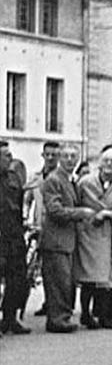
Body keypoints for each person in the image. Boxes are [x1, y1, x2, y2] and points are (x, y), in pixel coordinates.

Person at [73, 147, 112, 330]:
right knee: (89, 277)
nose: (108, 165)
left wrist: (108, 214)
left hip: (111, 236)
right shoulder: (85, 182)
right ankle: (85, 314)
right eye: (106, 161)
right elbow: (75, 204)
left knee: (109, 279)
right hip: (89, 234)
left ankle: (106, 315)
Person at [40, 144, 95, 333]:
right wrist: (80, 213)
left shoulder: (71, 180)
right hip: (55, 240)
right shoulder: (54, 180)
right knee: (58, 282)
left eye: (73, 156)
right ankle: (58, 319)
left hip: (65, 240)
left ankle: (62, 317)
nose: (70, 160)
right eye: (66, 156)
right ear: (60, 159)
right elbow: (54, 210)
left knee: (64, 281)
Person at [23, 141, 61, 318]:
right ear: (43, 155)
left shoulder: (62, 177)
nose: (51, 158)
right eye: (48, 154)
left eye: (54, 154)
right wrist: (26, 218)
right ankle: (44, 302)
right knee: (38, 268)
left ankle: (54, 303)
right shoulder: (36, 177)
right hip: (39, 228)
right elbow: (27, 198)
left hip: (57, 230)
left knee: (56, 270)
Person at [1, 141, 32, 335]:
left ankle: (10, 318)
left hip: (14, 235)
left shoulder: (13, 178)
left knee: (18, 279)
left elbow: (19, 204)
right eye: (6, 155)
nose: (10, 159)